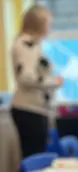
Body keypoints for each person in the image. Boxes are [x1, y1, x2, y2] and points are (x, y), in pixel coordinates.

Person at [10, 5, 63, 159]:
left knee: (39, 153)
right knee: (34, 156)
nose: (49, 28)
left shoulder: (35, 45)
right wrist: (53, 82)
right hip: (29, 109)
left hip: (37, 109)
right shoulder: (25, 45)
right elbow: (27, 77)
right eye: (48, 23)